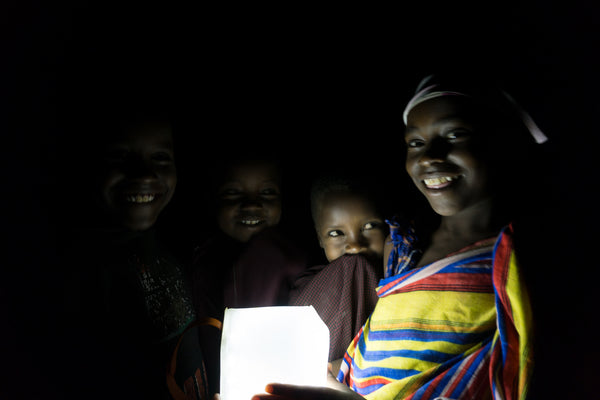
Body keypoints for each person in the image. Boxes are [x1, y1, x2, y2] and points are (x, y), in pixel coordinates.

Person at [251, 71, 547, 399]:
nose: (430, 156)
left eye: (455, 134)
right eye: (416, 142)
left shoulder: (515, 260)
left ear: (502, 142)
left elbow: (497, 379)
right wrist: (329, 373)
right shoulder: (404, 245)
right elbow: (384, 343)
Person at [59, 107, 213, 400]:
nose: (144, 172)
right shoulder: (83, 272)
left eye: (160, 157)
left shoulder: (171, 245)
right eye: (119, 157)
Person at [190, 155, 309, 394]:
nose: (252, 205)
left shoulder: (292, 256)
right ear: (213, 199)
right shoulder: (201, 261)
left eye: (266, 193)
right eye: (233, 193)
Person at [288, 173, 389, 361]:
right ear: (320, 239)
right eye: (336, 233)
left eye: (369, 226)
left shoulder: (405, 274)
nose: (355, 245)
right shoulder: (308, 286)